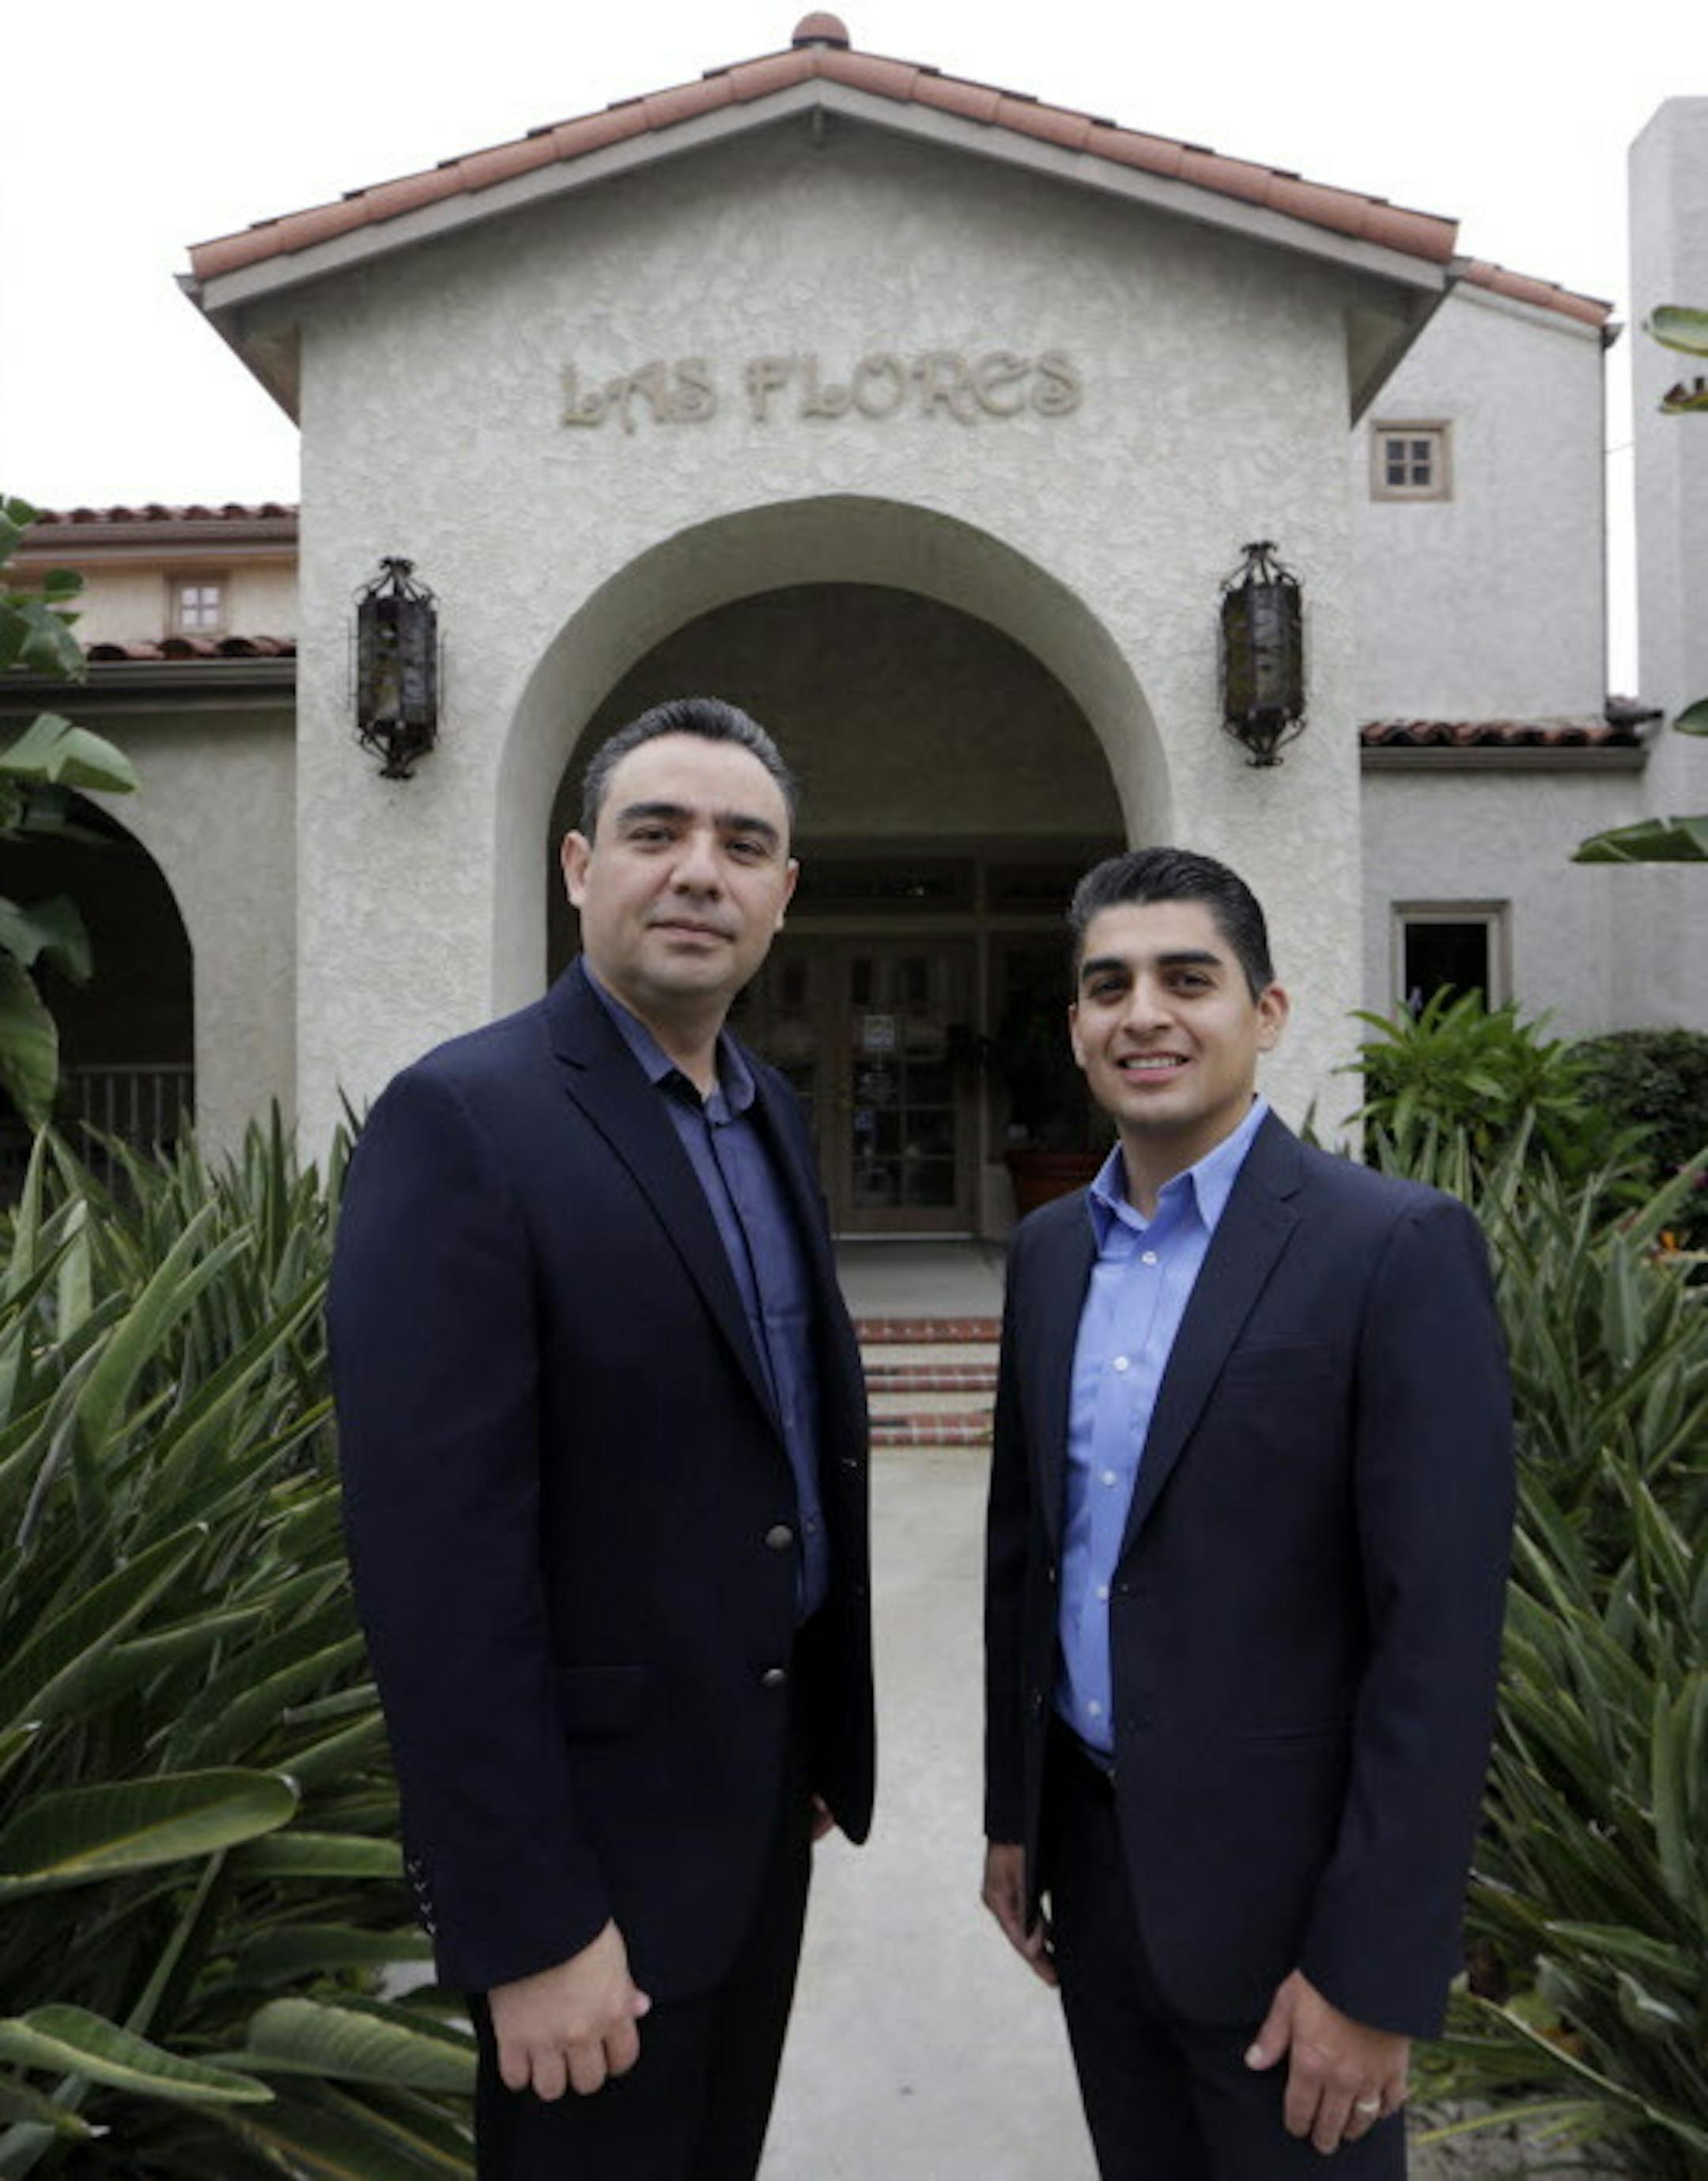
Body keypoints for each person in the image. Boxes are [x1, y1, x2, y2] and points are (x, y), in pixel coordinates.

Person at [329, 697, 875, 2181]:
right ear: (579, 866)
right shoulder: (465, 1120)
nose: (700, 870)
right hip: (591, 1869)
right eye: (658, 832)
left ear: (783, 895)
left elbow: (782, 1448)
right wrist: (529, 1924)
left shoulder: (762, 1115)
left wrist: (816, 1724)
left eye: (743, 844)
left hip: (757, 1807)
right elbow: (437, 1571)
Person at [982, 847, 1513, 2178]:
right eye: (1109, 985)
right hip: (1097, 1887)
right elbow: (1030, 1553)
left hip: (1297, 1931)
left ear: (1265, 1012)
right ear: (1076, 1029)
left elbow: (1438, 1648)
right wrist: (1015, 1813)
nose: (1143, 1013)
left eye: (1186, 978)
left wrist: (1377, 1971)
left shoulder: (1393, 1248)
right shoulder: (1050, 1253)